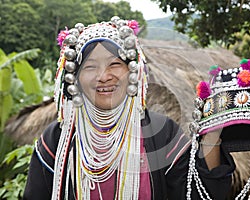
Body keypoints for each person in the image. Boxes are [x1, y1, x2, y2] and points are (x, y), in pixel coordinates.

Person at [23, 17, 235, 200]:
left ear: (132, 71)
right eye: (90, 66)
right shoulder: (57, 140)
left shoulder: (162, 133)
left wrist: (212, 131)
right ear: (75, 78)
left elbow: (198, 194)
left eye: (114, 64)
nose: (104, 76)